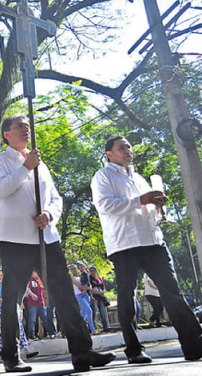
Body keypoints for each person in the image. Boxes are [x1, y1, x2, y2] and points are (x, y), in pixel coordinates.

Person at [0, 114, 116, 373]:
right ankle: (11, 355)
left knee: (65, 295)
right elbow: (0, 190)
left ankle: (82, 352)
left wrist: (50, 215)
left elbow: (55, 198)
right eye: (19, 127)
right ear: (6, 134)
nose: (26, 130)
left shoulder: (41, 164)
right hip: (15, 239)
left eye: (27, 126)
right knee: (12, 297)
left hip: (47, 237)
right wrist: (25, 167)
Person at [91, 136, 202, 363]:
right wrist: (141, 199)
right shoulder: (104, 176)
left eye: (128, 146)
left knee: (172, 291)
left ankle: (194, 344)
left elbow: (147, 210)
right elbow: (105, 205)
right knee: (127, 295)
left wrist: (157, 205)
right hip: (125, 244)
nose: (127, 150)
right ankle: (134, 350)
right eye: (121, 147)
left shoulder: (139, 178)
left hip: (153, 242)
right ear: (109, 155)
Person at [26, 272, 55, 339]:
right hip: (32, 303)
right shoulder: (30, 280)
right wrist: (32, 295)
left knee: (45, 318)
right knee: (32, 319)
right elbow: (27, 289)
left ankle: (50, 333)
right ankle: (31, 335)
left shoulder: (41, 280)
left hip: (41, 303)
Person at [69, 264, 95, 333]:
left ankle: (79, 328)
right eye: (72, 269)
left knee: (83, 313)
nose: (74, 270)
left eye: (74, 268)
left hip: (86, 294)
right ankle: (92, 329)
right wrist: (89, 288)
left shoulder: (82, 276)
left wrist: (89, 287)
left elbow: (88, 283)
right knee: (89, 311)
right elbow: (80, 287)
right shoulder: (72, 278)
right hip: (79, 295)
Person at [89, 267, 110, 332]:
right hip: (94, 297)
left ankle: (105, 327)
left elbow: (103, 287)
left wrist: (102, 292)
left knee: (103, 313)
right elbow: (90, 289)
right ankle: (93, 328)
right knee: (93, 313)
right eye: (91, 271)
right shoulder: (89, 279)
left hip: (101, 297)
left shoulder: (99, 279)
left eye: (93, 271)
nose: (92, 272)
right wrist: (98, 293)